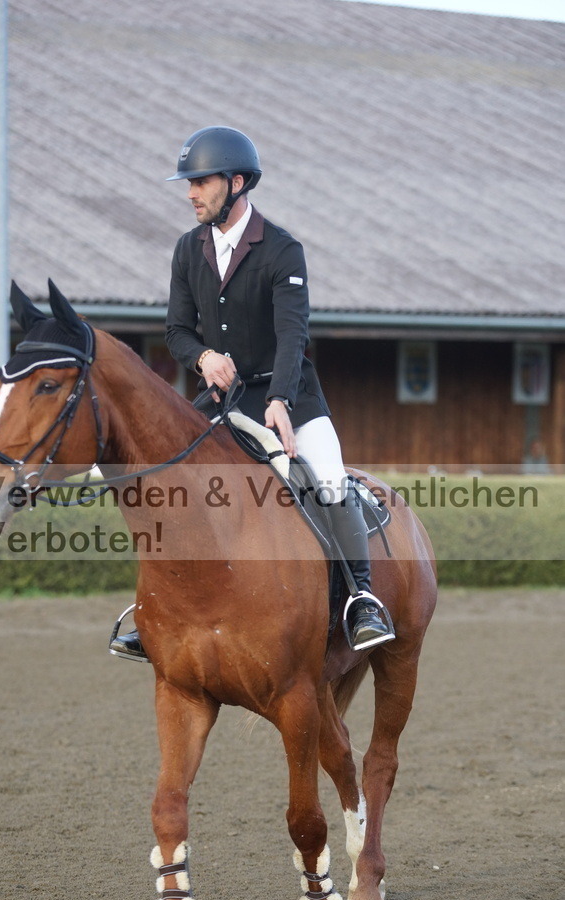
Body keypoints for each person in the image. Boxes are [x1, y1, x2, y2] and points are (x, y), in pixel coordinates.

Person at [110, 126, 394, 661]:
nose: (190, 193)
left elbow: (293, 336)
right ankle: (152, 609)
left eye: (200, 182)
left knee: (329, 479)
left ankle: (361, 599)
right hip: (221, 402)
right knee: (165, 486)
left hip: (289, 397)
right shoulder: (186, 250)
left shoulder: (282, 251)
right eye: (188, 183)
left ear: (237, 183)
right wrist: (202, 358)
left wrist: (281, 401)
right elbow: (176, 331)